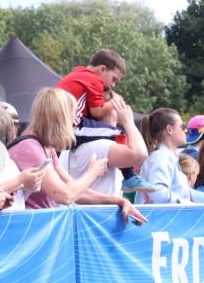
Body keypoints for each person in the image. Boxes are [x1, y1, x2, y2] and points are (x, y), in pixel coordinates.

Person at [9, 88, 146, 224]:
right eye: (73, 115)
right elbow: (65, 195)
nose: (76, 121)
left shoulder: (45, 146)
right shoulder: (30, 147)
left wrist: (119, 200)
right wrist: (93, 173)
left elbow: (77, 191)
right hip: (29, 229)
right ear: (60, 119)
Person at [56, 49, 155, 194]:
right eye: (114, 79)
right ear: (102, 69)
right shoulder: (94, 80)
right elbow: (97, 111)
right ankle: (129, 176)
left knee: (115, 133)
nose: (114, 85)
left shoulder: (79, 74)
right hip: (73, 127)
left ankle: (129, 176)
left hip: (65, 126)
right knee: (117, 133)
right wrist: (116, 103)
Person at [61, 94, 148, 199]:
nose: (122, 109)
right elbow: (139, 154)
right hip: (96, 213)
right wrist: (128, 122)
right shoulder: (99, 145)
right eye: (115, 105)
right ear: (102, 113)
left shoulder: (88, 141)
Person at [136, 108, 194, 204]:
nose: (186, 130)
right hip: (163, 218)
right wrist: (189, 205)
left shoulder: (163, 157)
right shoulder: (161, 158)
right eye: (182, 126)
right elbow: (159, 195)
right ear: (169, 129)